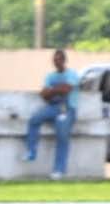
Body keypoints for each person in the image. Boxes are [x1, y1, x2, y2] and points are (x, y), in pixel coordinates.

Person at [23, 48, 78, 179]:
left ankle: (59, 169)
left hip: (67, 109)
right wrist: (56, 90)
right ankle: (31, 151)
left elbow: (66, 89)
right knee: (34, 119)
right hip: (52, 107)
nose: (56, 62)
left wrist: (51, 90)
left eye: (59, 59)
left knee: (62, 135)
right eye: (55, 60)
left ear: (64, 60)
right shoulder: (50, 76)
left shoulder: (72, 74)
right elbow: (44, 94)